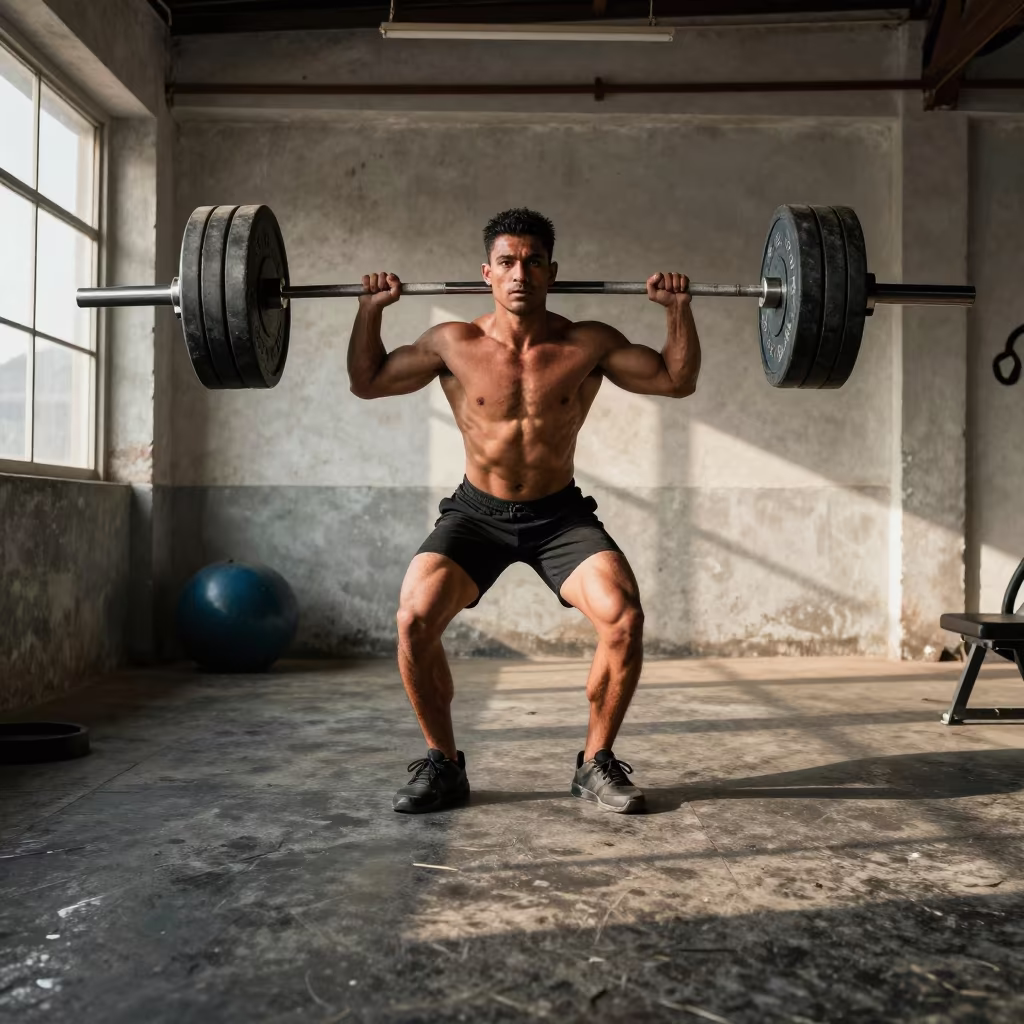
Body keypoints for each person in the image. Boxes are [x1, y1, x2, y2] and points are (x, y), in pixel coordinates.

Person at [347, 208, 700, 815]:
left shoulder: (587, 342)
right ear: (487, 272)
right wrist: (370, 310)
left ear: (551, 272)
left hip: (558, 517)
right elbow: (369, 380)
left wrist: (677, 311)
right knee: (413, 619)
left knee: (623, 618)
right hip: (476, 514)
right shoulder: (453, 343)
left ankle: (595, 762)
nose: (520, 274)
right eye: (507, 262)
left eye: (533, 262)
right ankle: (443, 764)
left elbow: (675, 380)